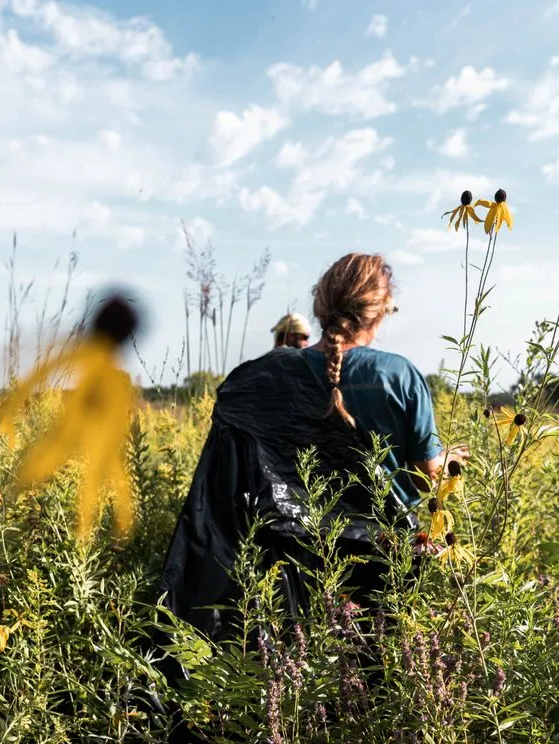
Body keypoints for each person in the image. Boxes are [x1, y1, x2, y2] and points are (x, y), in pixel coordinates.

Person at [156, 252, 468, 678]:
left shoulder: (266, 378)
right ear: (379, 312)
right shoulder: (399, 376)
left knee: (295, 682)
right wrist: (446, 459)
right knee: (372, 680)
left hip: (288, 569)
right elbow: (425, 473)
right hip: (383, 564)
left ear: (320, 306)